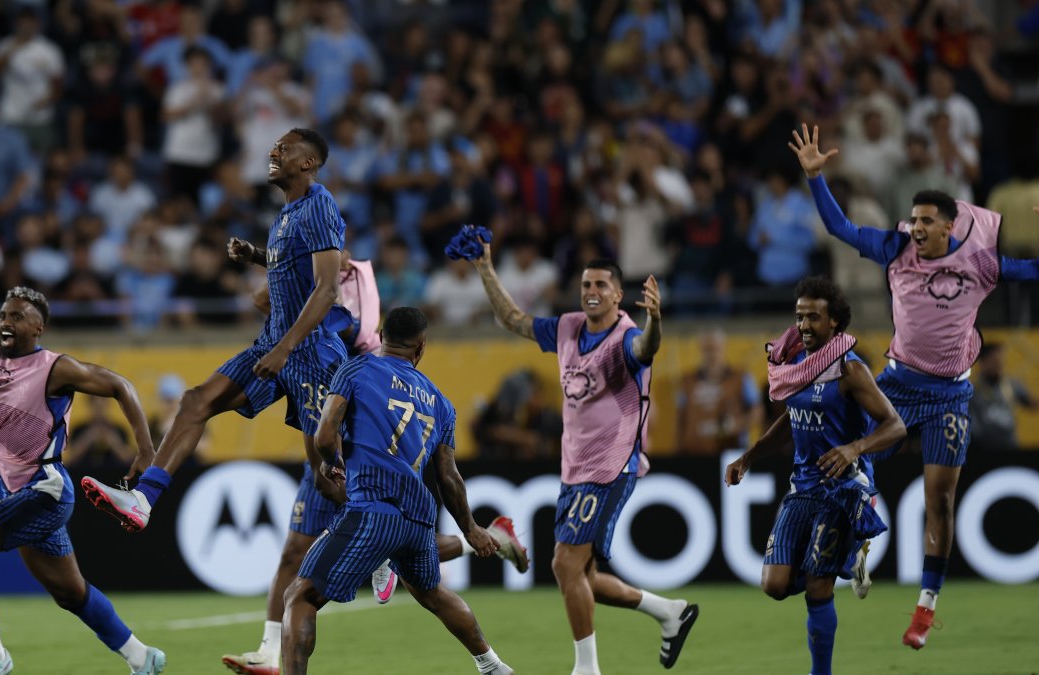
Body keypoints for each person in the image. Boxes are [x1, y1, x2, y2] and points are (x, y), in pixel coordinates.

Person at [789, 123, 1039, 649]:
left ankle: (924, 609)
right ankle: (855, 543)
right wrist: (815, 179)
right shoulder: (896, 249)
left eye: (925, 221)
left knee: (939, 499)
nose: (915, 228)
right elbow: (840, 228)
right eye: (913, 219)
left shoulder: (980, 263)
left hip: (950, 396)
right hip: (895, 384)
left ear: (950, 227)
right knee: (846, 466)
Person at [82, 128, 350, 670]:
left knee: (326, 474)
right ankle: (145, 499)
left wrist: (287, 348)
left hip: (313, 353)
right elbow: (290, 271)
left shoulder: (320, 206)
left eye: (285, 147)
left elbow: (327, 289)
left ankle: (375, 541)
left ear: (310, 161)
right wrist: (256, 254)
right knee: (195, 401)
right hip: (273, 345)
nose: (273, 152)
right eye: (271, 146)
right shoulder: (285, 216)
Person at [467, 228, 699, 672]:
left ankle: (586, 669)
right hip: (574, 468)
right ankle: (670, 612)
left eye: (600, 286)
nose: (591, 292)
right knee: (582, 574)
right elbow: (513, 319)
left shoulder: (627, 337)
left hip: (612, 465)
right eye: (586, 285)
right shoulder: (569, 327)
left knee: (564, 564)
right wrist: (485, 268)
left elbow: (647, 349)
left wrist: (657, 320)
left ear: (618, 296)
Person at [280, 307, 515, 675]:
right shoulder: (441, 403)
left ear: (381, 334)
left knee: (301, 595)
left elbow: (325, 435)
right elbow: (448, 477)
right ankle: (493, 666)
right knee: (432, 594)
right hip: (418, 519)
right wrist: (470, 528)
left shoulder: (356, 369)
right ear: (421, 348)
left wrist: (330, 459)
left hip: (373, 506)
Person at [0, 287, 165, 675]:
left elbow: (120, 386)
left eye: (16, 316)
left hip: (46, 490)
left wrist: (146, 451)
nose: (5, 323)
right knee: (70, 592)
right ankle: (141, 656)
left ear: (38, 326)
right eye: (2, 316)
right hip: (15, 490)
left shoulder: (54, 368)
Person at [725, 276, 906, 675]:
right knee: (774, 586)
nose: (804, 325)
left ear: (835, 323)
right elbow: (792, 419)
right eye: (800, 317)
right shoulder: (795, 365)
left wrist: (854, 448)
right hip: (802, 487)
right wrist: (749, 456)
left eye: (814, 318)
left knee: (817, 589)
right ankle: (849, 554)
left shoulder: (851, 371)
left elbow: (895, 426)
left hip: (842, 489)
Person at [675, 330, 761, 456]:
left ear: (723, 349)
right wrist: (678, 450)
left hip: (732, 453)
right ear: (701, 350)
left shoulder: (741, 378)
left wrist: (735, 425)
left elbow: (758, 413)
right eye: (708, 350)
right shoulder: (687, 382)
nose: (712, 355)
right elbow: (680, 418)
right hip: (694, 454)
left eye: (715, 349)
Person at [969, 343, 1039, 452]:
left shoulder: (1012, 385)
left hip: (1009, 445)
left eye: (1001, 361)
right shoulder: (972, 390)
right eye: (994, 361)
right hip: (982, 449)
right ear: (983, 362)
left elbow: (1033, 404)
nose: (999, 365)